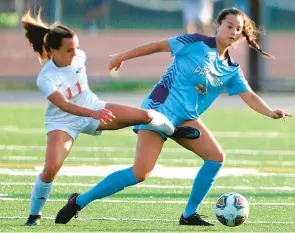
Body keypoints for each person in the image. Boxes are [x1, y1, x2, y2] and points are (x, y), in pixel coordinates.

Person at [55, 7, 292, 226]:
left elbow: (249, 95)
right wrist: (120, 56)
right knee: (140, 173)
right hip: (159, 109)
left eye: (238, 29)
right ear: (217, 25)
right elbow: (158, 46)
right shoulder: (196, 42)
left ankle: (189, 215)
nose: (233, 31)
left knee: (216, 157)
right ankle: (79, 201)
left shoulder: (231, 69)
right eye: (229, 25)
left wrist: (271, 112)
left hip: (186, 117)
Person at [21, 10, 200, 226]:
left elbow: (83, 93)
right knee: (51, 168)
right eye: (68, 50)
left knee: (144, 115)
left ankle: (173, 130)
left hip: (95, 109)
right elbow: (64, 105)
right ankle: (34, 215)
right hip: (64, 121)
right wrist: (93, 113)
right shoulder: (46, 77)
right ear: (52, 51)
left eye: (76, 47)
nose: (75, 53)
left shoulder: (79, 56)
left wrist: (115, 64)